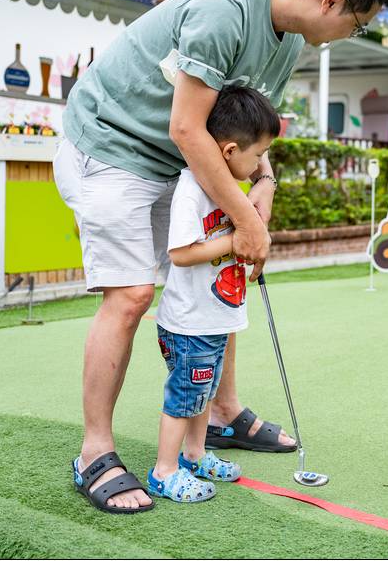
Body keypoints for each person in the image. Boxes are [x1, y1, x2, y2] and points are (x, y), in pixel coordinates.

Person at [56, 0, 388, 512]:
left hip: (177, 162)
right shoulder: (225, 10)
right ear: (333, 2)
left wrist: (262, 185)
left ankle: (221, 414)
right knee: (133, 293)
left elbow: (250, 127)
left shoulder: (288, 39)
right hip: (112, 145)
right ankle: (95, 452)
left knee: (221, 273)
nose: (351, 35)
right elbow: (189, 129)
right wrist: (246, 220)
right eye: (359, 24)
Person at [145, 86, 279, 503]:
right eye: (257, 156)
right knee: (184, 397)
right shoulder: (192, 190)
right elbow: (181, 254)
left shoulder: (223, 187)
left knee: (203, 392)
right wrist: (236, 239)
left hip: (213, 320)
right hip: (189, 324)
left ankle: (194, 455)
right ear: (230, 150)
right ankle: (164, 472)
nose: (260, 166)